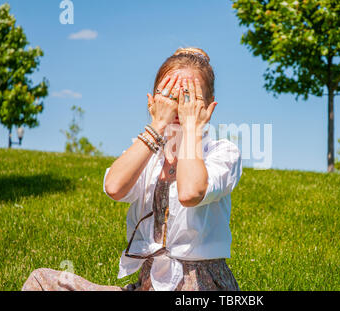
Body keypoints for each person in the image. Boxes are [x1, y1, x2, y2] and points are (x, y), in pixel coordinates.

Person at [22, 47, 243, 291]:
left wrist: (191, 127)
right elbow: (114, 187)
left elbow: (190, 193)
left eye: (189, 98)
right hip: (147, 286)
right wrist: (157, 125)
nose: (179, 107)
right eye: (170, 96)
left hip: (200, 287)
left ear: (209, 108)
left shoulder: (223, 153)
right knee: (43, 281)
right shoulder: (148, 155)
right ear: (152, 102)